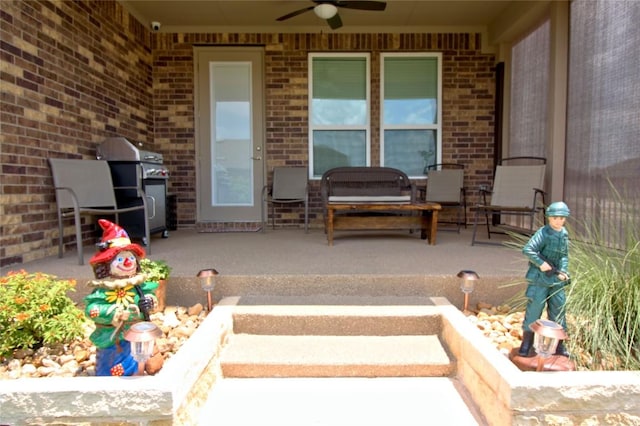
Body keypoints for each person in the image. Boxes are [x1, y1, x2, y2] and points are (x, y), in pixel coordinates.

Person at [84, 219, 162, 376]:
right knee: (110, 364)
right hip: (112, 338)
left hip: (135, 336)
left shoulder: (137, 285)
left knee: (135, 361)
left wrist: (149, 302)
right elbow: (92, 309)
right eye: (120, 259)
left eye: (131, 258)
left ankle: (136, 373)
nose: (127, 262)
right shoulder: (103, 290)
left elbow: (150, 297)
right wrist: (115, 313)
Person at [518, 201, 571, 358]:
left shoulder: (563, 233)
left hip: (556, 280)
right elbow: (528, 249)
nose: (559, 221)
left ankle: (559, 344)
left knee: (559, 310)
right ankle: (527, 342)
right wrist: (541, 264)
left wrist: (563, 271)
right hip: (540, 278)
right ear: (549, 218)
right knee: (534, 309)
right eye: (555, 218)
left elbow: (564, 256)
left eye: (562, 218)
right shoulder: (543, 233)